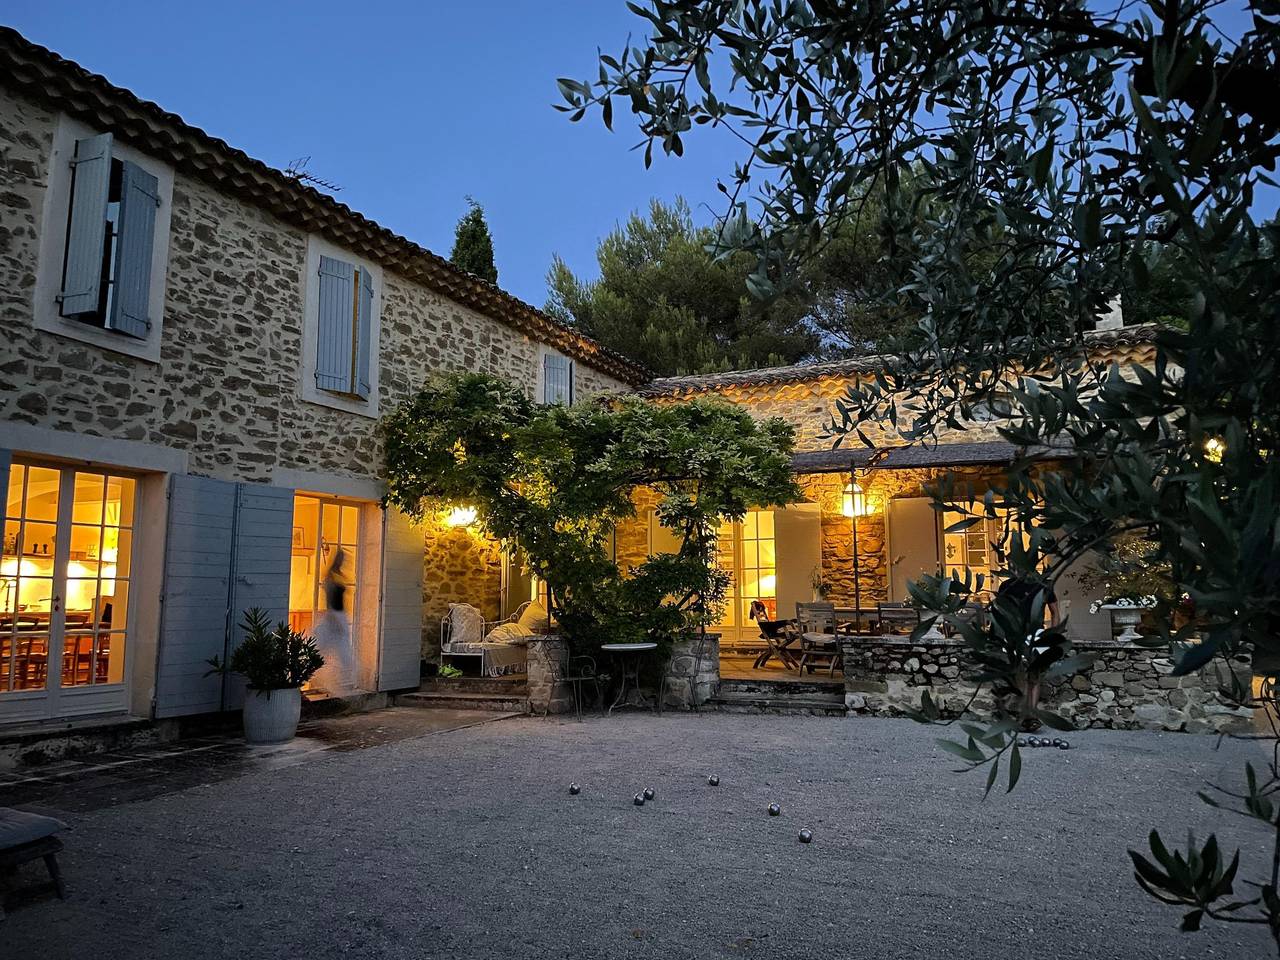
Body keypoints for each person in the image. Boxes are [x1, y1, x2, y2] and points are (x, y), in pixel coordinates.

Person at [310, 546, 356, 695]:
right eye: (342, 559)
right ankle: (320, 679)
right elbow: (329, 600)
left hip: (340, 614)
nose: (344, 562)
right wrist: (333, 617)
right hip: (334, 614)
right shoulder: (331, 577)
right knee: (327, 649)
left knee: (341, 650)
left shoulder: (339, 575)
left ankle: (342, 682)